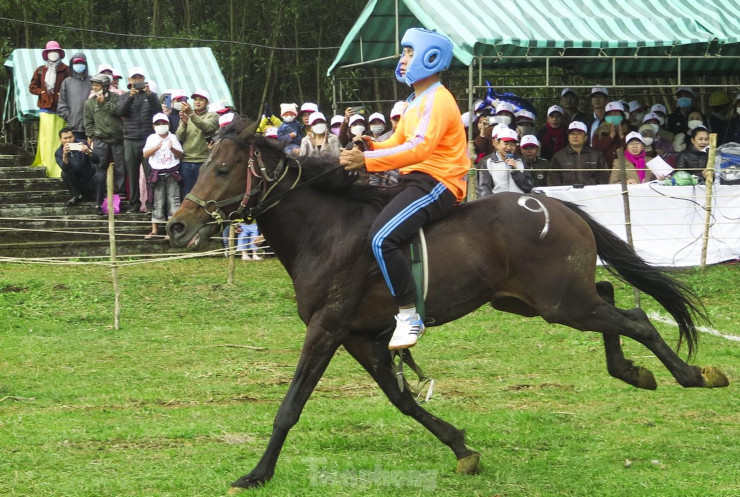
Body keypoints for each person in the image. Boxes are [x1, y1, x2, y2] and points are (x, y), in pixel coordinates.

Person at [339, 28, 468, 350]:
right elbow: (399, 141)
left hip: (438, 182)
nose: (402, 59)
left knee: (382, 238)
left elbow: (419, 149)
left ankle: (409, 315)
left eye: (409, 52)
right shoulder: (416, 100)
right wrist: (369, 143)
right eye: (404, 52)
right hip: (416, 179)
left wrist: (366, 160)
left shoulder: (438, 99)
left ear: (431, 58)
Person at [115, 66, 161, 213]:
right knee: (132, 173)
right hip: (130, 139)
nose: (137, 80)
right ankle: (134, 204)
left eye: (140, 78)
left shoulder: (150, 95)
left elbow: (158, 112)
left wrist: (150, 95)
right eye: (134, 78)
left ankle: (150, 203)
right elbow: (120, 112)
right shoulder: (124, 96)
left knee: (150, 174)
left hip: (148, 139)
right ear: (129, 80)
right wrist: (130, 97)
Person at [29, 40, 72, 177]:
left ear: (60, 53)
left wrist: (63, 93)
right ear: (46, 54)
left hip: (60, 108)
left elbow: (70, 85)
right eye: (50, 52)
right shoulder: (41, 70)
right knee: (46, 138)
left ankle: (60, 165)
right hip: (45, 107)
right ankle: (47, 164)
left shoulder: (66, 69)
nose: (53, 54)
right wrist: (41, 92)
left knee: (60, 137)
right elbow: (32, 86)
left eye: (55, 51)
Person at [83, 73, 126, 198]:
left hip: (118, 139)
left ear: (105, 86)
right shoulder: (89, 103)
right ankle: (99, 192)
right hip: (100, 140)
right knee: (99, 167)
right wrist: (93, 135)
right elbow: (88, 122)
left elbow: (119, 112)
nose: (94, 88)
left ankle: (121, 193)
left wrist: (104, 103)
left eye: (97, 85)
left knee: (120, 167)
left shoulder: (116, 98)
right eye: (93, 85)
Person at [142, 113, 183, 239]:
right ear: (154, 126)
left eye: (163, 123)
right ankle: (154, 230)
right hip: (157, 173)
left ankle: (170, 231)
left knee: (173, 201)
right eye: (158, 124)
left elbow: (180, 154)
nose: (161, 126)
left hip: (172, 173)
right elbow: (146, 154)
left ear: (169, 124)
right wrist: (157, 147)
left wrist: (172, 149)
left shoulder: (173, 137)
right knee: (157, 201)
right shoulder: (151, 138)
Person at [176, 89, 219, 196]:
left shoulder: (213, 116)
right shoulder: (186, 116)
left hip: (203, 161)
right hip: (186, 161)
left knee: (203, 193)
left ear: (207, 102)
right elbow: (179, 137)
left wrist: (191, 114)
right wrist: (184, 124)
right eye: (195, 99)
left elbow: (206, 127)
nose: (197, 102)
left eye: (201, 100)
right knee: (187, 193)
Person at [54, 127, 105, 214]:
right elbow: (65, 169)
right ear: (60, 140)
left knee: (100, 175)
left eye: (70, 137)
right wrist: (65, 155)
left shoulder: (82, 143)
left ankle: (99, 205)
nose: (68, 140)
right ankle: (76, 196)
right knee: (64, 173)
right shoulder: (58, 152)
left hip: (89, 179)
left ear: (74, 137)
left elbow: (97, 160)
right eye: (65, 138)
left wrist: (88, 152)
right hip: (76, 182)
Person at [548, 121, 609, 186]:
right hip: (567, 195)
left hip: (592, 194)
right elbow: (553, 180)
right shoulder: (559, 157)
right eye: (572, 133)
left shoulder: (596, 155)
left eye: (579, 133)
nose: (575, 136)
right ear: (568, 137)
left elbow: (604, 177)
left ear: (585, 137)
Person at [476, 127, 533, 197]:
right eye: (506, 144)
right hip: (497, 204)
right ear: (497, 144)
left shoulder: (520, 161)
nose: (509, 148)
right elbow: (484, 189)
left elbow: (528, 187)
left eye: (512, 144)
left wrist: (516, 171)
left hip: (518, 204)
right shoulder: (488, 163)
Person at [57, 53, 92, 142]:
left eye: (81, 63)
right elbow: (62, 105)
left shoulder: (93, 81)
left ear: (86, 64)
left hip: (92, 127)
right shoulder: (67, 82)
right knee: (76, 153)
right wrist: (70, 118)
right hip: (74, 128)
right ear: (72, 65)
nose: (78, 65)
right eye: (76, 63)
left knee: (91, 153)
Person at [592, 101, 628, 167]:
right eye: (610, 114)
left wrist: (622, 137)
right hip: (604, 170)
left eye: (616, 114)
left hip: (624, 169)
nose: (613, 116)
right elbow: (596, 152)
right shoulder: (598, 132)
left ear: (622, 116)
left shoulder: (629, 132)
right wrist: (610, 137)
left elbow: (631, 152)